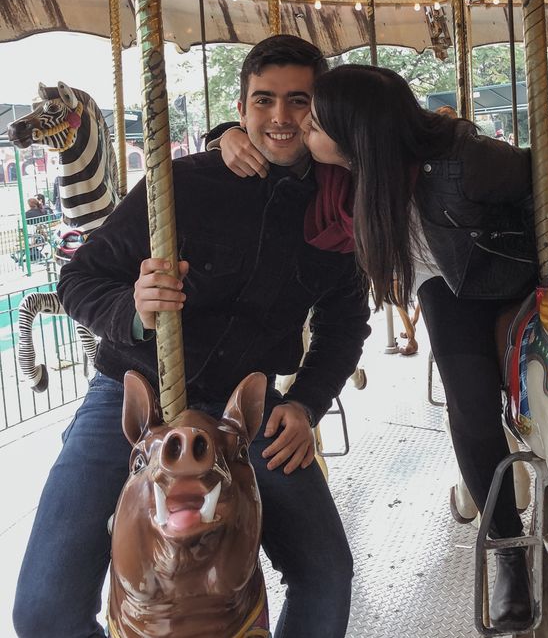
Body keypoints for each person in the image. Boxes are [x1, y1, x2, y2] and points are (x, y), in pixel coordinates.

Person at [216, 64, 548, 633]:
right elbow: (265, 143)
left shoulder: (465, 162)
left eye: (316, 121)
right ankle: (506, 547)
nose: (303, 128)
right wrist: (223, 135)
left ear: (358, 133)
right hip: (448, 286)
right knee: (471, 404)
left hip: (528, 273)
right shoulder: (339, 168)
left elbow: (543, 187)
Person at [13, 36, 371, 638]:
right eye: (263, 101)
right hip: (136, 395)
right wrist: (133, 308)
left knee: (327, 569)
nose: (279, 118)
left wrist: (306, 403)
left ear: (321, 110)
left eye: (298, 101)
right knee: (44, 607)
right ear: (242, 104)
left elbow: (345, 323)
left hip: (245, 410)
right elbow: (79, 278)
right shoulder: (180, 183)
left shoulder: (335, 207)